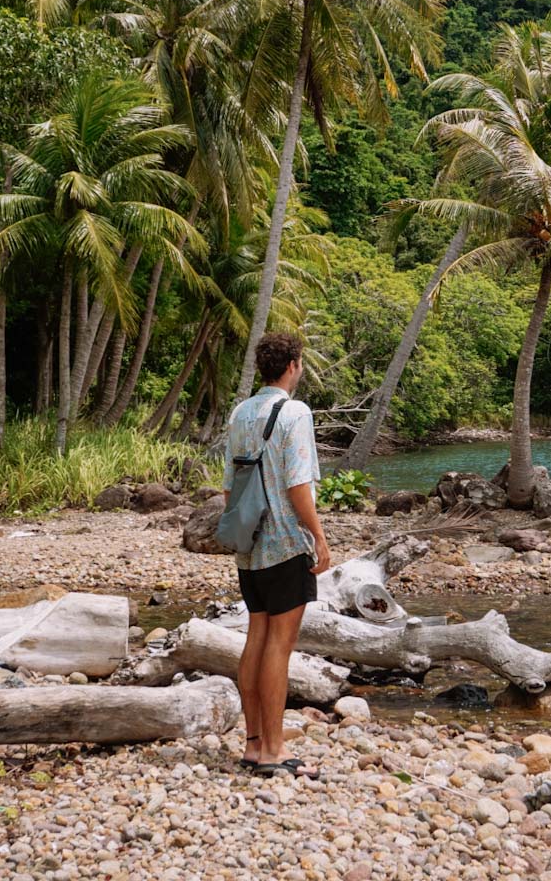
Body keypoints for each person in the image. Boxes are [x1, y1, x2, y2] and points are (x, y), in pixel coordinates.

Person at [223, 331, 330, 776]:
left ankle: (252, 744)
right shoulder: (295, 412)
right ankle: (274, 750)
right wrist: (319, 537)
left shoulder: (240, 412)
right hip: (285, 542)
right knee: (279, 648)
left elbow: (230, 486)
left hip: (248, 545)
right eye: (300, 363)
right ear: (292, 366)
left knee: (256, 636)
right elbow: (297, 485)